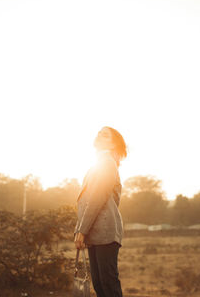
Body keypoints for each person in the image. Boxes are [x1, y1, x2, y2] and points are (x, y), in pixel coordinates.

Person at [74, 126, 127, 297]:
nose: (98, 134)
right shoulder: (98, 164)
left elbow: (97, 198)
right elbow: (87, 201)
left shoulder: (107, 163)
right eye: (99, 132)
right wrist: (80, 230)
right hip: (94, 232)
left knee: (108, 284)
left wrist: (82, 230)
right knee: (99, 285)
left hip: (105, 233)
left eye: (104, 134)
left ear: (112, 144)